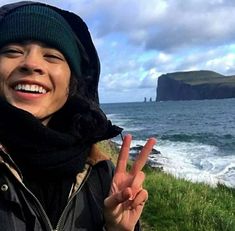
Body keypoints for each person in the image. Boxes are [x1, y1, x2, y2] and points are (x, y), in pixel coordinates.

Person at [0, 1, 156, 231]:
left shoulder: (100, 171)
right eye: (13, 51)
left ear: (72, 83)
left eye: (52, 56)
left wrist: (117, 230)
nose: (32, 63)